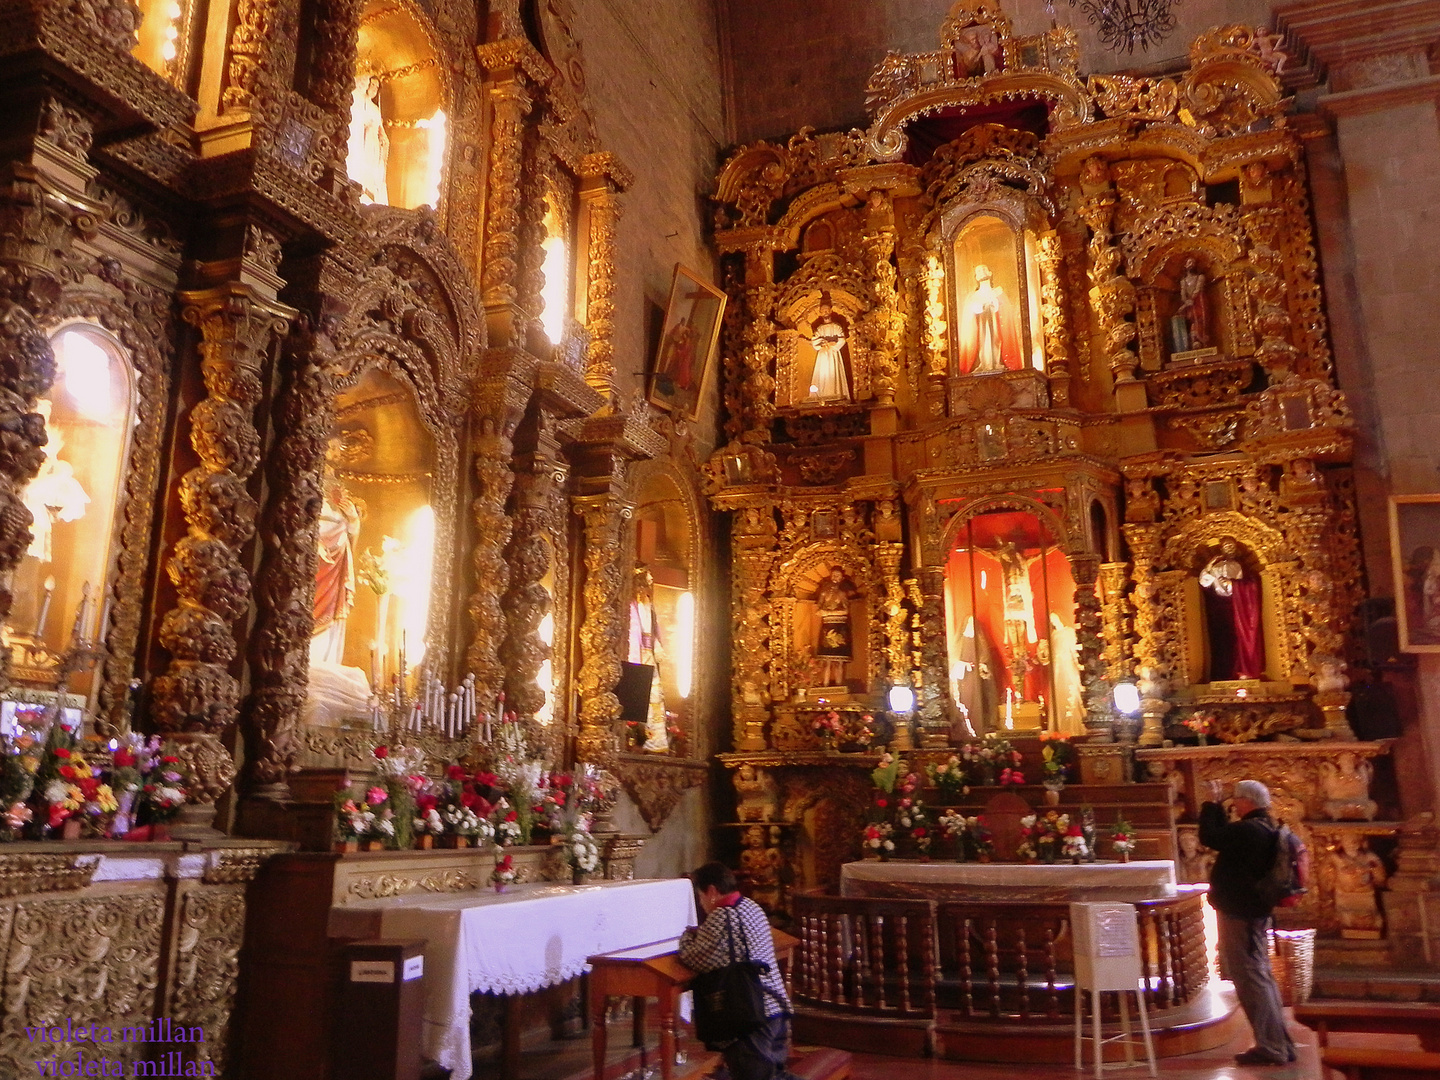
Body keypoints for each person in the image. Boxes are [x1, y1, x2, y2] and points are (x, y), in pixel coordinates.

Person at [1198, 779, 1298, 1066]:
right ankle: (1279, 1044)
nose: (1234, 805)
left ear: (1247, 801)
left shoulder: (1248, 830)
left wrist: (1212, 803)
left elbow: (1211, 837)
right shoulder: (1264, 827)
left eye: (1236, 801)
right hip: (1252, 913)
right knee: (1259, 976)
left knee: (1251, 978)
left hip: (1242, 914)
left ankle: (1272, 1047)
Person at [679, 862, 794, 1080]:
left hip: (751, 1015)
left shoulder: (723, 916)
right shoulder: (751, 907)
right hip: (775, 1008)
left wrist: (687, 936)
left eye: (701, 896)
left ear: (712, 891)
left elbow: (694, 957)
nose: (702, 904)